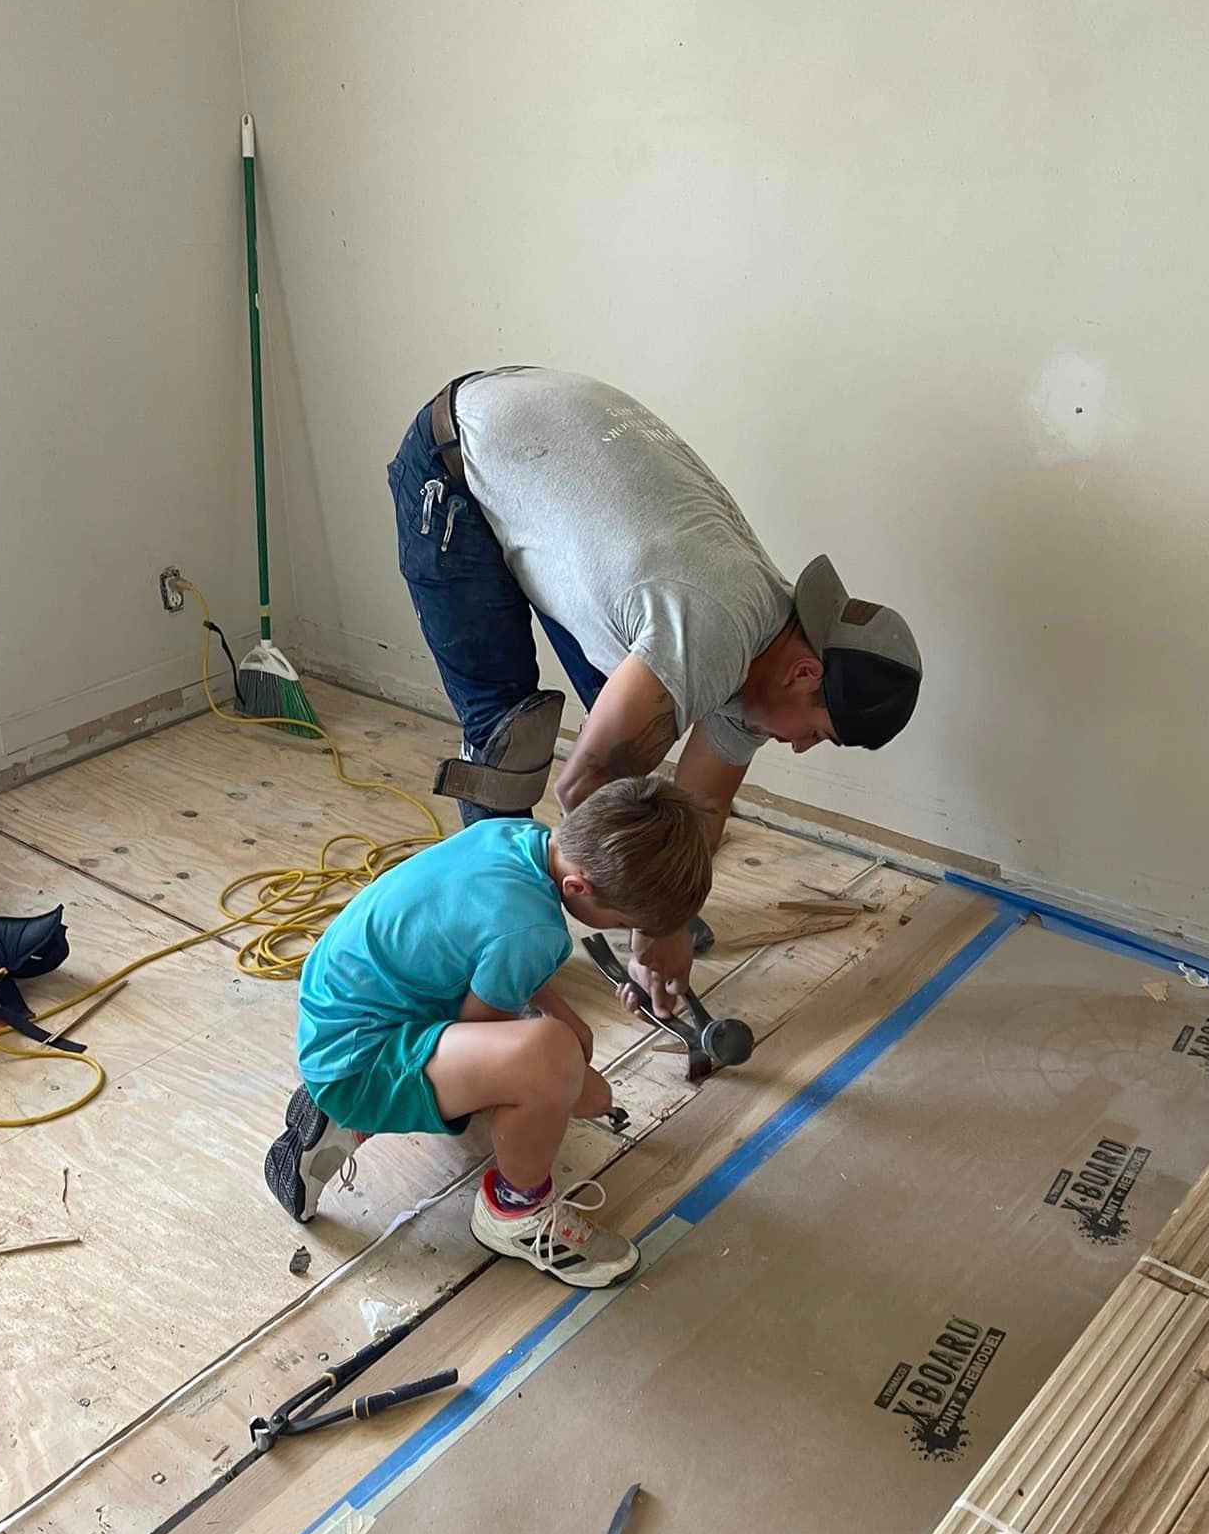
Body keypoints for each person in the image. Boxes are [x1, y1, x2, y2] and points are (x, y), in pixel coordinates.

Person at [387, 366, 923, 1014]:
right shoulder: (712, 627)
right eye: (817, 732)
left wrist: (663, 914)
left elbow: (699, 811)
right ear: (806, 674)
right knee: (511, 740)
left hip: (549, 461)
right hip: (461, 462)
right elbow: (581, 787)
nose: (801, 747)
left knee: (629, 771)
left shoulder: (773, 652)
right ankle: (498, 953)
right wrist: (655, 924)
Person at [264, 776, 712, 1289]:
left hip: (344, 1011)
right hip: (358, 1060)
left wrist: (560, 1017)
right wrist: (577, 1085)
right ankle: (515, 1213)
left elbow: (486, 950)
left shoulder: (515, 835)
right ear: (579, 890)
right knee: (551, 1062)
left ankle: (353, 1110)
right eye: (623, 921)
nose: (624, 933)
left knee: (556, 1047)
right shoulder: (533, 930)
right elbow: (486, 1025)